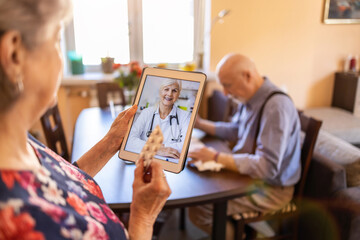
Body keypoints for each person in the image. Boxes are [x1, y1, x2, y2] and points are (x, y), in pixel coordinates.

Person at [0, 1, 171, 239]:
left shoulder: (16, 139)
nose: (60, 59)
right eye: (57, 40)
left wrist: (111, 141)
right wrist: (143, 218)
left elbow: (61, 184)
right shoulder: (26, 221)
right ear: (14, 54)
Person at [188, 53, 301, 237]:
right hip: (250, 178)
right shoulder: (250, 98)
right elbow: (236, 130)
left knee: (202, 207)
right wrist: (200, 124)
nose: (225, 93)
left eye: (228, 85)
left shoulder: (276, 106)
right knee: (200, 188)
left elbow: (267, 168)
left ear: (247, 76)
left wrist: (216, 157)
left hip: (272, 189)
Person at [127, 79, 191, 160]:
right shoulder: (146, 113)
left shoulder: (185, 116)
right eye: (166, 89)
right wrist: (157, 149)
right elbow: (129, 140)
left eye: (174, 90)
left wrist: (150, 146)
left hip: (170, 164)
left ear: (178, 94)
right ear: (160, 91)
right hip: (145, 161)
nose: (170, 94)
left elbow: (185, 147)